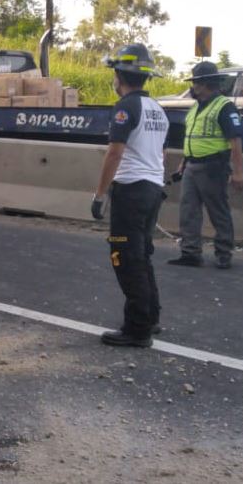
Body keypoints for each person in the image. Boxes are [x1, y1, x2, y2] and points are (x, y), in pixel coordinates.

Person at [90, 44, 168, 348]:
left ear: (119, 75)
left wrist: (99, 194)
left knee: (126, 258)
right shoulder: (157, 110)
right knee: (142, 255)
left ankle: (137, 329)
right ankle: (150, 316)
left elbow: (114, 153)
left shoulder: (125, 108)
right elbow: (160, 153)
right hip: (152, 187)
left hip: (132, 190)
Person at [168, 61, 243, 269]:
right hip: (192, 166)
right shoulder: (196, 108)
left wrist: (238, 172)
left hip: (214, 166)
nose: (192, 87)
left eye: (195, 83)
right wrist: (183, 163)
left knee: (217, 210)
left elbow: (235, 141)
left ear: (204, 84)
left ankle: (223, 253)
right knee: (188, 210)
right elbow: (192, 137)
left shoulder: (224, 107)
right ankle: (190, 252)